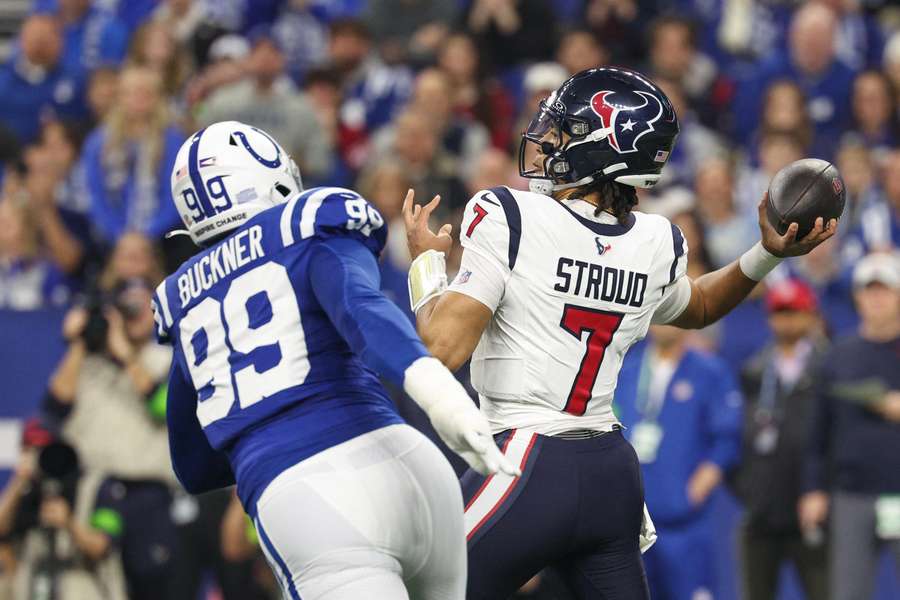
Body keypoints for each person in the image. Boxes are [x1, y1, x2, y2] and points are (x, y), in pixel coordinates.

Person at [402, 66, 836, 599]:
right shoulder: (656, 241)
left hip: (527, 457)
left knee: (417, 589)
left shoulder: (510, 215)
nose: (547, 144)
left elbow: (440, 350)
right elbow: (696, 306)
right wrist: (767, 253)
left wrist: (425, 267)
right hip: (611, 474)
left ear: (601, 147)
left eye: (563, 132)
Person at [153, 121, 517, 599]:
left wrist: (255, 440)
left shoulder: (183, 297)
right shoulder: (306, 225)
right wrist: (442, 397)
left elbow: (195, 467)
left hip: (308, 500)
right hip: (413, 467)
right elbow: (362, 311)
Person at [799, 251, 900, 600]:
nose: (876, 298)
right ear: (857, 296)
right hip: (852, 493)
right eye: (869, 290)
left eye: (884, 290)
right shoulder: (839, 356)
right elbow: (818, 431)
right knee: (848, 593)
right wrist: (813, 489)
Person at [615, 325, 742, 600]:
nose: (665, 321)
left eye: (673, 312)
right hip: (632, 523)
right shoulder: (627, 371)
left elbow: (726, 439)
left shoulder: (710, 372)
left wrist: (696, 489)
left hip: (684, 524)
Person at [733, 279, 828, 600]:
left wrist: (825, 489)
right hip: (763, 507)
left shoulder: (829, 368)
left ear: (811, 315)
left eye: (793, 312)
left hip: (813, 509)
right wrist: (747, 489)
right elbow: (740, 435)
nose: (786, 320)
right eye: (779, 312)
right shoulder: (755, 370)